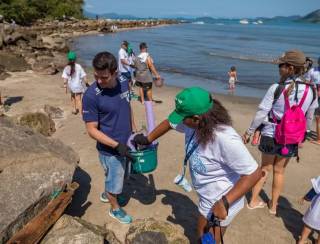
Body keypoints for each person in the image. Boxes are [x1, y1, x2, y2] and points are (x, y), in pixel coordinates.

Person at [133, 87, 261, 243]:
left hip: (222, 200)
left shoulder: (224, 138)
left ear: (196, 118)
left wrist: (224, 202)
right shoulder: (192, 124)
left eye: (182, 117)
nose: (179, 121)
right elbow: (169, 123)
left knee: (209, 239)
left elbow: (254, 173)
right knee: (200, 233)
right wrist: (148, 139)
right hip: (207, 198)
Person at [242, 50, 318, 215]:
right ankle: (273, 206)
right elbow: (309, 117)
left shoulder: (276, 88)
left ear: (289, 68)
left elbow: (262, 112)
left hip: (270, 133)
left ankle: (254, 200)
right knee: (280, 171)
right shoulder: (312, 90)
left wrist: (250, 131)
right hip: (291, 137)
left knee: (265, 168)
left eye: (281, 65)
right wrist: (303, 135)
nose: (278, 67)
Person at [82, 51, 133, 224]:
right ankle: (115, 209)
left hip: (126, 142)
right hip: (109, 150)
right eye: (96, 76)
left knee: (120, 176)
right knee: (116, 182)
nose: (99, 81)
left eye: (104, 77)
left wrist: (133, 133)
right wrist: (117, 146)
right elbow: (91, 130)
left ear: (115, 73)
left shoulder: (125, 82)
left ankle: (107, 192)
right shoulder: (90, 95)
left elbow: (128, 107)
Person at [298, 176, 320, 244]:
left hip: (318, 207)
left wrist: (306, 198)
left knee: (309, 224)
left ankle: (302, 241)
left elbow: (314, 190)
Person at [305, 56, 320, 145]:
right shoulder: (312, 71)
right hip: (314, 96)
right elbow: (307, 83)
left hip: (315, 96)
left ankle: (319, 139)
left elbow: (307, 83)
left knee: (318, 118)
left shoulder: (312, 70)